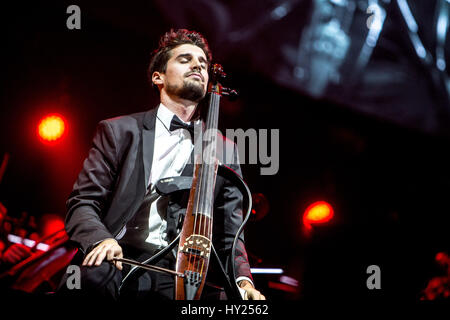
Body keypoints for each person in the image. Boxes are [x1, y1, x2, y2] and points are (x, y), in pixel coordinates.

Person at [61, 29, 265, 301]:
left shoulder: (225, 149)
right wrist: (101, 240)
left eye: (203, 64)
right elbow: (83, 201)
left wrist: (243, 281)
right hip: (119, 257)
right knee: (94, 280)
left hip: (179, 270)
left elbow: (230, 232)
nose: (198, 66)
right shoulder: (119, 130)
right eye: (185, 59)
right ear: (158, 77)